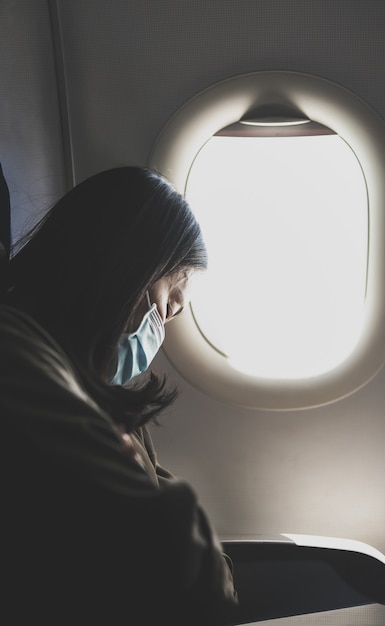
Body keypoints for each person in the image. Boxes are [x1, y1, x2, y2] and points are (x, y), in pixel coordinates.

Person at [0, 166, 238, 625]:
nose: (159, 331)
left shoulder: (97, 389)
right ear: (121, 272)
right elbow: (189, 575)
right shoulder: (19, 355)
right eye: (166, 306)